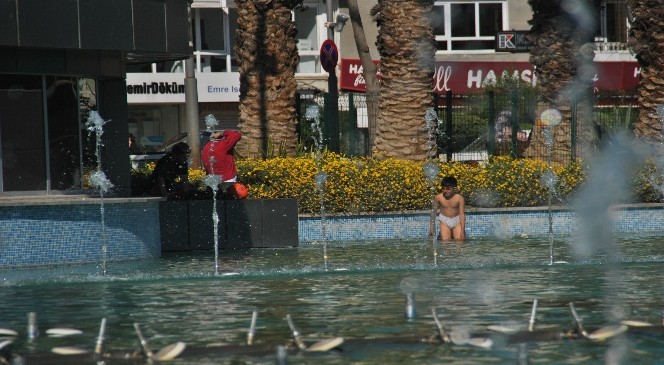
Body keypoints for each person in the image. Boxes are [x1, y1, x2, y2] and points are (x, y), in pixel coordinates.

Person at [429, 176, 466, 241]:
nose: (445, 191)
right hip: (444, 220)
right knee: (446, 242)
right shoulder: (438, 197)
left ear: (454, 188)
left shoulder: (459, 198)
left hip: (457, 220)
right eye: (443, 189)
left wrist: (462, 230)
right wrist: (431, 228)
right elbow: (433, 212)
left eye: (448, 189)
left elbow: (462, 214)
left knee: (459, 241)